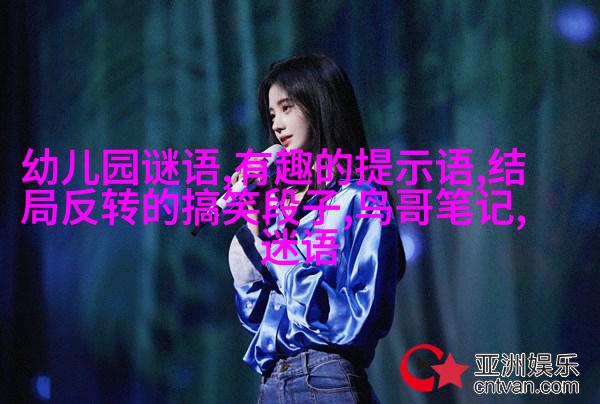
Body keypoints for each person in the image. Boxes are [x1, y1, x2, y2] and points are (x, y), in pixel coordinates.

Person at [228, 54, 405, 404]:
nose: (278, 125)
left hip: (326, 377)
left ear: (321, 104)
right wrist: (254, 233)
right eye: (272, 114)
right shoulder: (281, 206)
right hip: (272, 382)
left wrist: (278, 251)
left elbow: (361, 319)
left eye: (287, 107)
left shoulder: (361, 199)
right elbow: (256, 318)